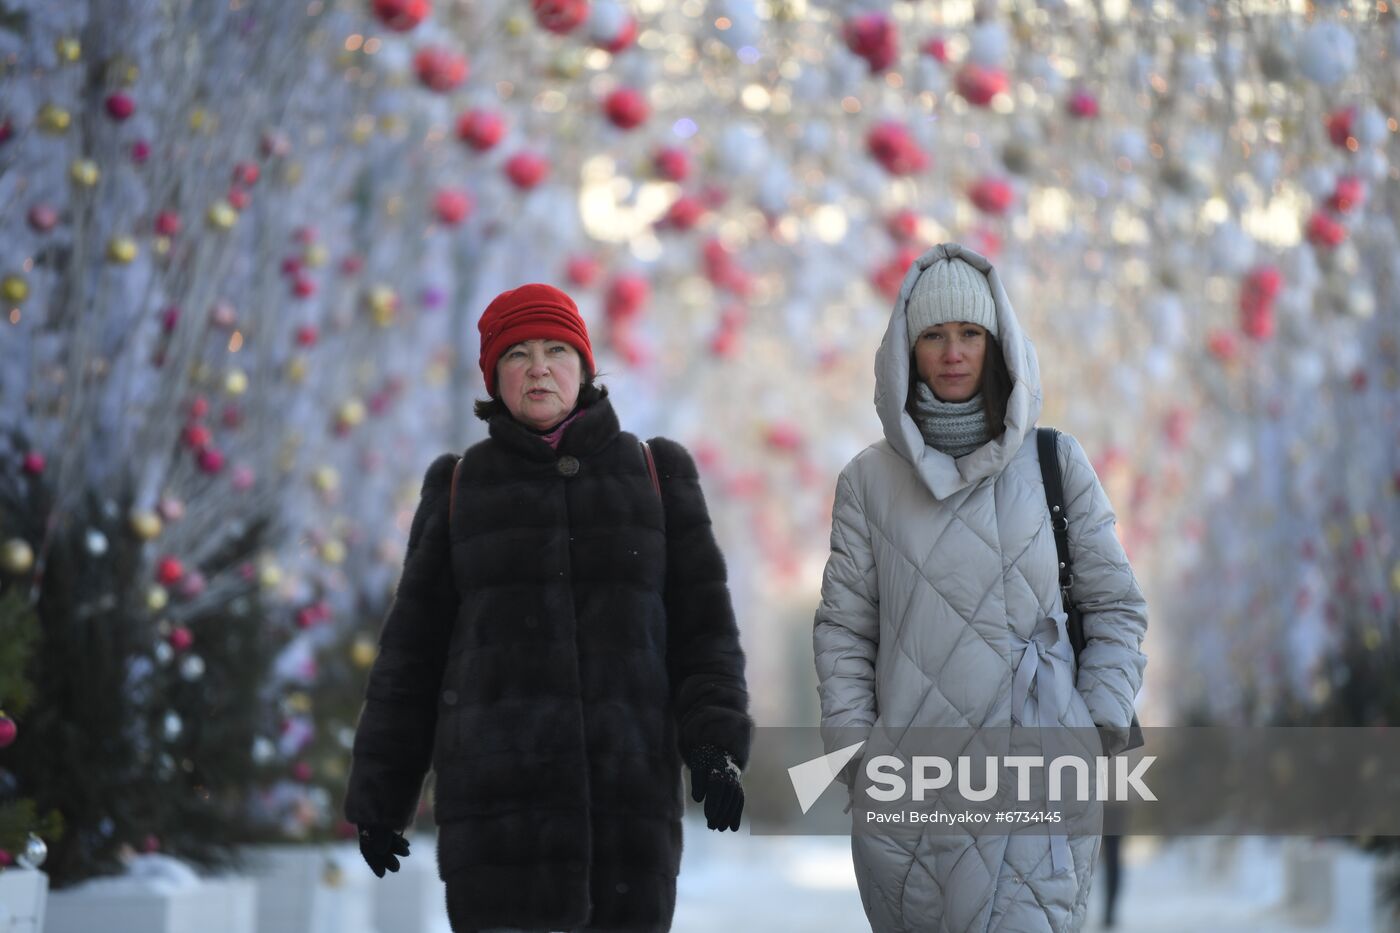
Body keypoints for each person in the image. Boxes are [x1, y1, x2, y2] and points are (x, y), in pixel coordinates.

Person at [344, 283, 753, 933]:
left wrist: (713, 744)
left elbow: (704, 633)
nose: (539, 367)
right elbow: (410, 660)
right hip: (496, 822)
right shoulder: (456, 487)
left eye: (556, 349)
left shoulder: (656, 475)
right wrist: (380, 798)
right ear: (494, 377)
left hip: (626, 815)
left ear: (585, 367)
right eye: (518, 354)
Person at [813, 243, 1148, 932]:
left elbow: (1114, 605)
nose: (953, 352)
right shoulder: (868, 482)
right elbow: (846, 627)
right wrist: (855, 753)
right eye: (933, 335)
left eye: (970, 333)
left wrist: (1094, 723)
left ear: (998, 344)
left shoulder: (1056, 461)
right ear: (907, 350)